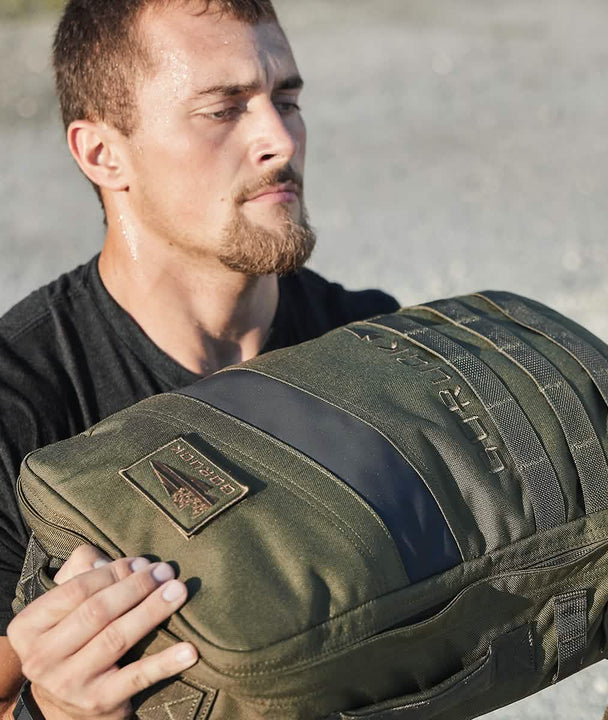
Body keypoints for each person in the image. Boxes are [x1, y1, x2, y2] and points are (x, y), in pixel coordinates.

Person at [0, 1, 399, 718]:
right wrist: (55, 711)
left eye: (288, 99)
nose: (279, 139)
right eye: (223, 110)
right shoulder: (20, 405)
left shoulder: (366, 345)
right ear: (102, 153)